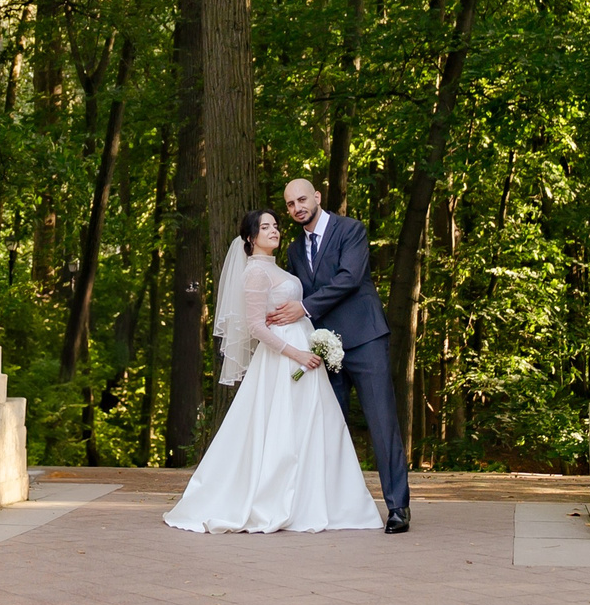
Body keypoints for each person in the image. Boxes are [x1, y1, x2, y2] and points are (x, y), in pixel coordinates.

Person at [163, 210, 386, 535]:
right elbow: (255, 327)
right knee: (283, 430)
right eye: (265, 227)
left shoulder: (275, 268)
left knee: (314, 428)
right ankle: (280, 501)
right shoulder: (254, 273)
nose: (274, 231)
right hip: (283, 359)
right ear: (251, 239)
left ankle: (319, 501)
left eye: (276, 226)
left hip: (303, 355)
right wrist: (297, 353)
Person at [270, 177, 411, 533]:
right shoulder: (292, 251)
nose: (297, 207)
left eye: (302, 199)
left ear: (317, 197)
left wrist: (302, 308)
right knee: (328, 428)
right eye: (290, 204)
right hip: (322, 348)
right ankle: (335, 507)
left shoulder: (351, 230)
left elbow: (350, 278)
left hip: (365, 340)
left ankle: (398, 507)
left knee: (382, 424)